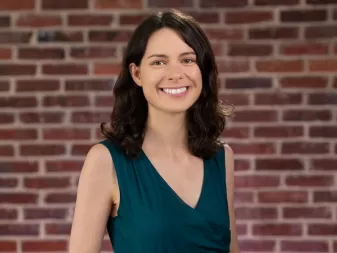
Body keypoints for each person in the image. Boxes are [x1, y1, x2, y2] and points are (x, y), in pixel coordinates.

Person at [68, 9, 240, 253]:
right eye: (159, 62)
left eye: (188, 60)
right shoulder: (106, 161)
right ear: (137, 74)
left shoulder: (222, 159)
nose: (176, 74)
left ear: (202, 69)